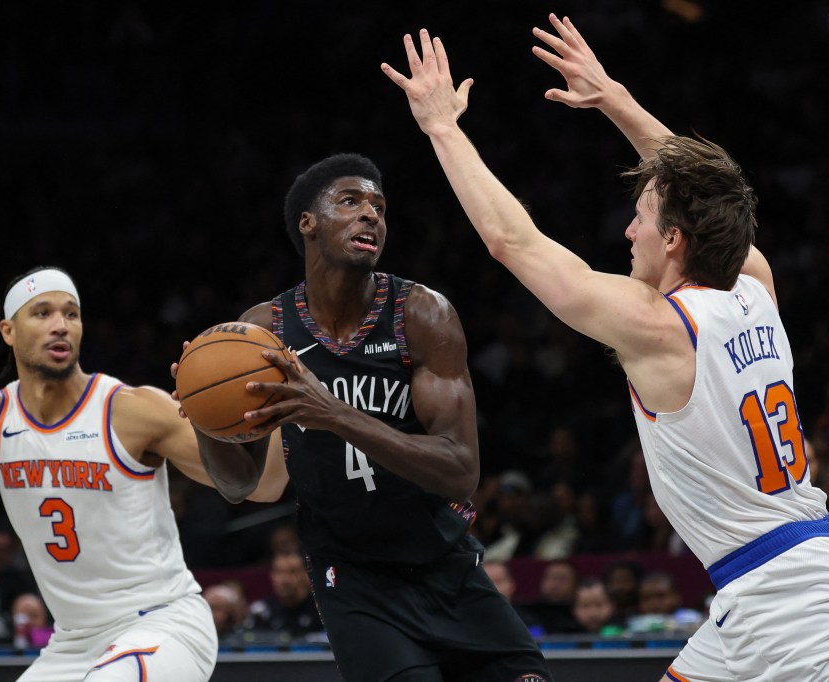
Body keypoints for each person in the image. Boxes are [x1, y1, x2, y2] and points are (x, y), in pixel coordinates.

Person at [383, 14, 829, 681]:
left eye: (642, 219)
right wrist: (614, 99)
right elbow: (714, 198)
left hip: (786, 612)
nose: (628, 231)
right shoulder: (753, 286)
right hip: (777, 583)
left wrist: (442, 128)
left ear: (673, 241)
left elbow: (516, 243)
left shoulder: (662, 324)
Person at [179, 153, 553, 681]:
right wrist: (204, 417)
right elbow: (237, 483)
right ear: (308, 223)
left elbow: (461, 470)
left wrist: (333, 413)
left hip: (446, 563)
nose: (371, 215)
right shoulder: (265, 333)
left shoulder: (421, 314)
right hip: (353, 581)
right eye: (350, 202)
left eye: (379, 206)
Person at [0, 260, 282, 680]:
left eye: (71, 313)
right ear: (8, 330)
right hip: (74, 642)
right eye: (41, 313)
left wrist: (283, 405)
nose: (60, 324)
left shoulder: (134, 410)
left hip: (163, 624)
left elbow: (263, 485)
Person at [243, 550, 323, 640]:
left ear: (307, 575)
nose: (284, 580)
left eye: (292, 572)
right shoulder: (261, 612)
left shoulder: (322, 610)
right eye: (278, 572)